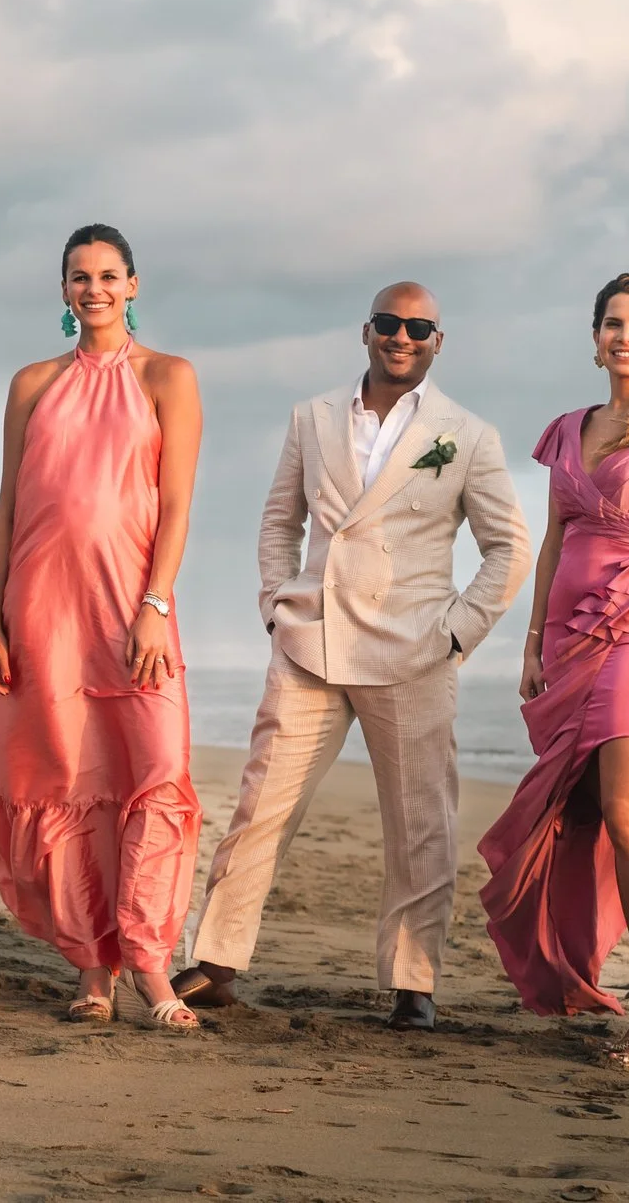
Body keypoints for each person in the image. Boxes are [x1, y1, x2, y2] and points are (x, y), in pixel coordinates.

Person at [175, 282, 527, 1030]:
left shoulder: (467, 434)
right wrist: (277, 602)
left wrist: (458, 632)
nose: (403, 337)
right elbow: (281, 520)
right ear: (366, 332)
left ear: (438, 340)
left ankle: (413, 985)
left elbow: (508, 550)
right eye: (390, 324)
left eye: (419, 328)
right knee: (261, 805)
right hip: (313, 641)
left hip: (415, 652)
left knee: (422, 822)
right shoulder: (313, 417)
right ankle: (215, 962)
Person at [0, 224, 205, 1027]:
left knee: (150, 774)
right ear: (63, 292)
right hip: (42, 608)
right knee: (68, 782)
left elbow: (177, 503)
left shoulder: (169, 378)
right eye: (80, 277)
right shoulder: (32, 384)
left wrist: (155, 606)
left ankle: (151, 966)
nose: (95, 289)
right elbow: (8, 510)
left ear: (133, 285)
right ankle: (92, 968)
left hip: (129, 610)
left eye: (109, 275)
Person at [478, 273, 629, 1072]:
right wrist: (530, 643)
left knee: (628, 813)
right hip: (570, 637)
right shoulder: (568, 428)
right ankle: (582, 968)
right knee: (579, 815)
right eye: (613, 324)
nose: (626, 336)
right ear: (595, 339)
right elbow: (553, 541)